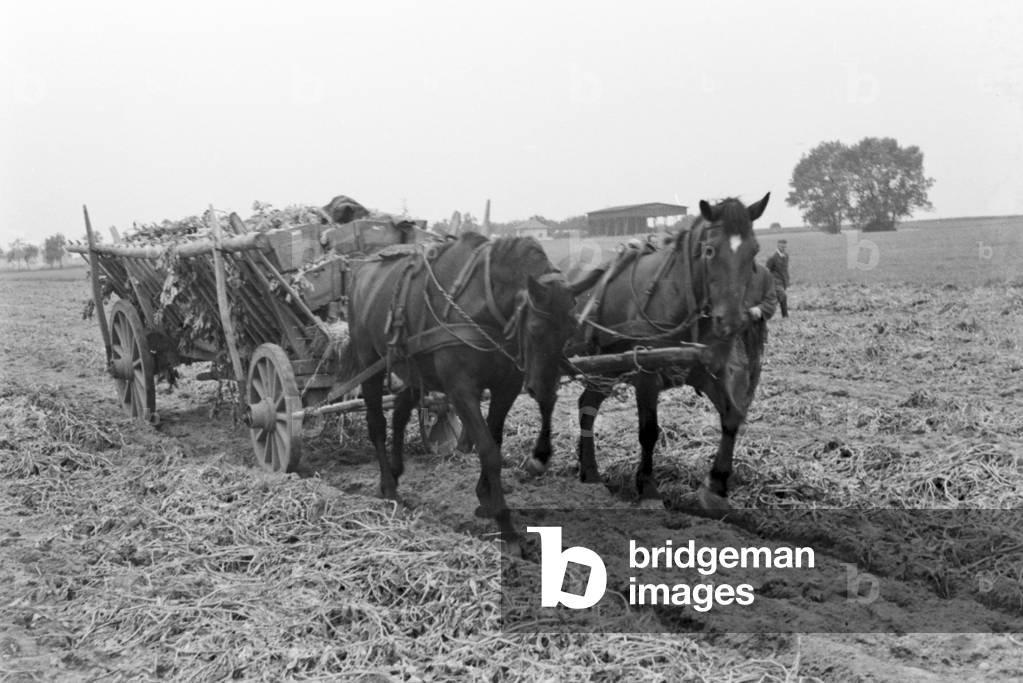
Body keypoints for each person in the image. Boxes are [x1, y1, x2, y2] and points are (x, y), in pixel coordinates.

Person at [723, 260, 777, 413]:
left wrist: (759, 310)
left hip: (755, 331)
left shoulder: (764, 274)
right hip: (733, 331)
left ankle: (741, 410)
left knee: (753, 372)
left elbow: (771, 301)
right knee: (740, 367)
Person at [765, 239, 790, 318]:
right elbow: (767, 270)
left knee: (777, 299)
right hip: (775, 282)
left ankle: (766, 313)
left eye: (785, 247)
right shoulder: (772, 257)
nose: (783, 248)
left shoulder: (786, 256)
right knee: (783, 295)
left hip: (783, 281)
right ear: (778, 246)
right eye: (782, 247)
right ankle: (785, 316)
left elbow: (785, 270)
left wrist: (787, 280)